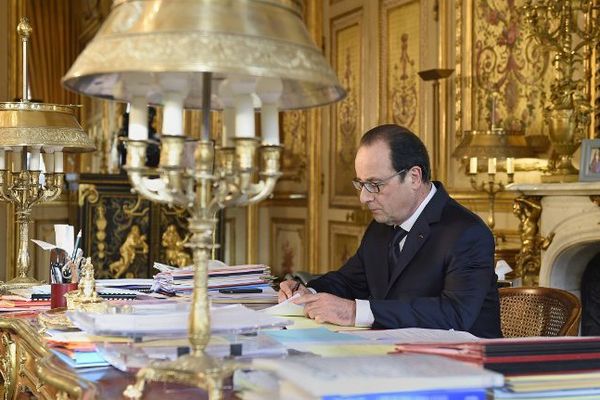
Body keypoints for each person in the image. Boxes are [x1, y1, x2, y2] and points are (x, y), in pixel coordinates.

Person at [278, 124, 501, 338]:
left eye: (375, 185)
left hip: (467, 366)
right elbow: (349, 281)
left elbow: (454, 313)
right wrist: (306, 292)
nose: (364, 198)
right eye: (361, 184)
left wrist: (355, 312)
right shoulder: (382, 224)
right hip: (398, 357)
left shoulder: (467, 233)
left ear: (414, 177)